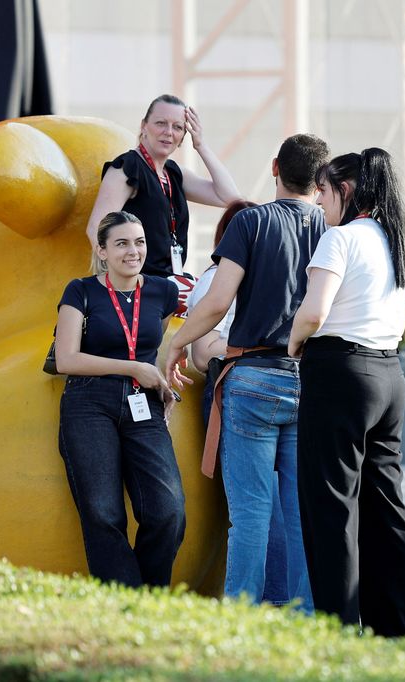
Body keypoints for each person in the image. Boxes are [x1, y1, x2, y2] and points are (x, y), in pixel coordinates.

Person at [164, 133, 330, 607]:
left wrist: (178, 342)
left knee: (252, 513)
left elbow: (217, 301)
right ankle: (306, 620)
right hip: (309, 380)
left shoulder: (251, 223)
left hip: (251, 377)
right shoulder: (332, 229)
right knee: (302, 514)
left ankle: (241, 620)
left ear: (275, 167)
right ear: (321, 181)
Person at [288, 147, 405, 641]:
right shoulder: (394, 241)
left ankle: (340, 634)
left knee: (331, 510)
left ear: (346, 190)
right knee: (387, 507)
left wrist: (294, 344)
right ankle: (398, 634)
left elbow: (312, 312)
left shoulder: (339, 239)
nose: (318, 200)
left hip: (339, 371)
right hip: (388, 375)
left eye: (323, 190)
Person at [55, 211, 184, 587]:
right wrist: (132, 368)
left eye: (139, 241)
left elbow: (155, 346)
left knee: (168, 511)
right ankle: (125, 604)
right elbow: (67, 358)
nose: (133, 251)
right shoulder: (80, 290)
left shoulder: (163, 291)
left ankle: (145, 598)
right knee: (102, 512)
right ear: (102, 250)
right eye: (122, 243)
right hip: (89, 402)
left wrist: (163, 373)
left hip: (144, 402)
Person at [185, 199, 298, 608]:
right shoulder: (219, 280)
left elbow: (206, 347)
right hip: (244, 387)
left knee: (264, 509)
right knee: (266, 508)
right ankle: (287, 607)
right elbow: (203, 352)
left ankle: (259, 607)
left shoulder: (264, 279)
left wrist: (230, 346)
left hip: (249, 383)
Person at [86, 94, 239, 278]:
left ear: (184, 135)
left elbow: (230, 198)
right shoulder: (128, 167)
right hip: (141, 285)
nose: (168, 132)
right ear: (144, 125)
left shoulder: (174, 173)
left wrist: (201, 145)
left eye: (177, 127)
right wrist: (125, 280)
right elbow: (96, 228)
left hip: (172, 281)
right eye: (160, 123)